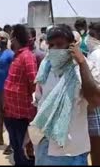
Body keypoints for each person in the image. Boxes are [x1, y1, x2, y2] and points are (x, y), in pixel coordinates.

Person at [28, 24, 100, 165]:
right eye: (51, 45)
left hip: (71, 152)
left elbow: (95, 100)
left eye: (60, 44)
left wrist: (81, 63)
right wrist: (30, 136)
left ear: (72, 45)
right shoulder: (46, 67)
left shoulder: (85, 68)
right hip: (44, 146)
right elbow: (40, 105)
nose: (55, 49)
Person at [3, 24, 37, 166]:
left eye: (11, 37)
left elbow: (34, 85)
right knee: (17, 150)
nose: (10, 41)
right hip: (11, 113)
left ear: (15, 38)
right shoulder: (17, 56)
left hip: (22, 115)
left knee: (23, 153)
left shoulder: (27, 57)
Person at [83, 22, 100, 165]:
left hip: (96, 107)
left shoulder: (96, 55)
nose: (88, 38)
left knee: (96, 150)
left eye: (92, 35)